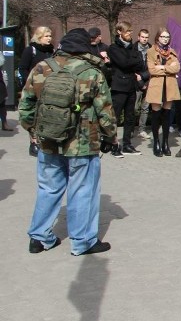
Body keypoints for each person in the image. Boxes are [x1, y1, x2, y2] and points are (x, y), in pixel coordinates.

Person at [19, 27, 116, 256]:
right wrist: (110, 137)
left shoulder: (42, 67)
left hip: (48, 140)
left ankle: (39, 237)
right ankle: (82, 242)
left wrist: (33, 131)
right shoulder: (91, 72)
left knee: (48, 188)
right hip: (82, 143)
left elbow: (25, 106)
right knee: (82, 190)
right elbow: (105, 111)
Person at [108, 21, 147, 157]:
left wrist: (132, 62)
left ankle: (127, 144)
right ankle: (113, 144)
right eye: (127, 31)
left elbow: (141, 64)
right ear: (119, 32)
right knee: (116, 117)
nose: (129, 33)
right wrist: (132, 62)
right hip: (119, 87)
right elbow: (123, 64)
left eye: (130, 31)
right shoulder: (113, 48)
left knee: (130, 116)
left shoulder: (133, 48)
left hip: (131, 86)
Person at [145, 28, 181, 157]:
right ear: (157, 38)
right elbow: (152, 70)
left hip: (169, 85)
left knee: (167, 115)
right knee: (156, 114)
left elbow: (177, 68)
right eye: (163, 36)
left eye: (167, 37)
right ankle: (156, 142)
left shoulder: (172, 52)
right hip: (156, 85)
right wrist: (168, 69)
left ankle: (165, 142)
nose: (165, 39)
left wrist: (162, 67)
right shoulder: (150, 51)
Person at [20, 26, 54, 153]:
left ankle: (46, 140)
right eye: (46, 36)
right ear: (39, 37)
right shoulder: (31, 50)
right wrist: (30, 82)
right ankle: (33, 142)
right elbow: (22, 68)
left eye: (50, 36)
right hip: (34, 88)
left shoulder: (52, 51)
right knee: (34, 115)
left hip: (49, 88)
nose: (49, 39)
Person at [134, 29, 152, 139]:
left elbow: (153, 67)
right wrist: (140, 81)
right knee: (134, 107)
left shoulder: (151, 49)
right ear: (138, 37)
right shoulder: (133, 49)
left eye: (146, 37)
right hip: (136, 82)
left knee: (145, 107)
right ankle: (131, 129)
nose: (144, 39)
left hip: (148, 81)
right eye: (142, 37)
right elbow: (131, 67)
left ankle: (142, 129)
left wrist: (145, 78)